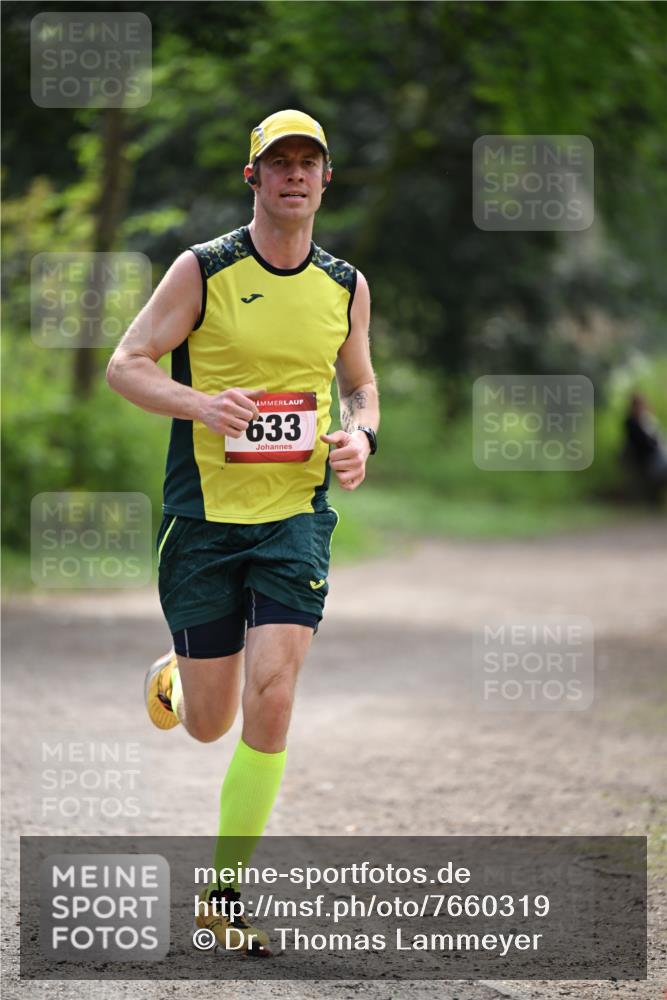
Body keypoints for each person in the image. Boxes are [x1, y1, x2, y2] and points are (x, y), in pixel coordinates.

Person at [106, 109, 379, 955]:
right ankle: (182, 680)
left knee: (274, 692)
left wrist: (360, 436)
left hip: (294, 519)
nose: (294, 175)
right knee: (209, 722)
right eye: (279, 162)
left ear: (325, 180)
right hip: (202, 520)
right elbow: (127, 362)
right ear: (253, 177)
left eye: (309, 163)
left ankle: (222, 895)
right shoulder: (205, 269)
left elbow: (362, 385)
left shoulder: (345, 285)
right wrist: (200, 404)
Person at [622, 393, 667, 503]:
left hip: (659, 457)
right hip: (649, 460)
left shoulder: (648, 421)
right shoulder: (632, 423)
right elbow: (646, 443)